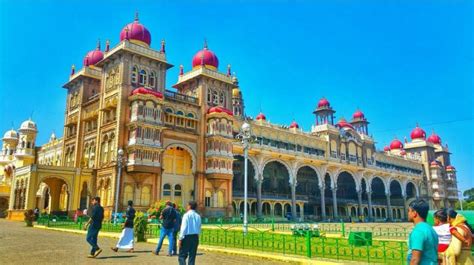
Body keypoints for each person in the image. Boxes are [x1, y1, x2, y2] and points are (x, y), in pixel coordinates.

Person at [407, 199, 438, 265]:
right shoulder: (430, 228)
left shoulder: (418, 231)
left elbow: (415, 259)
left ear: (414, 213)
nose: (408, 213)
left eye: (409, 211)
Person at [178, 201, 202, 265]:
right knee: (192, 257)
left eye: (187, 205)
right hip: (195, 237)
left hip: (186, 237)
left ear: (189, 206)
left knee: (182, 256)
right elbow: (199, 228)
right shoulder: (198, 216)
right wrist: (198, 238)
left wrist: (180, 238)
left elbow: (183, 228)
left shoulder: (186, 215)